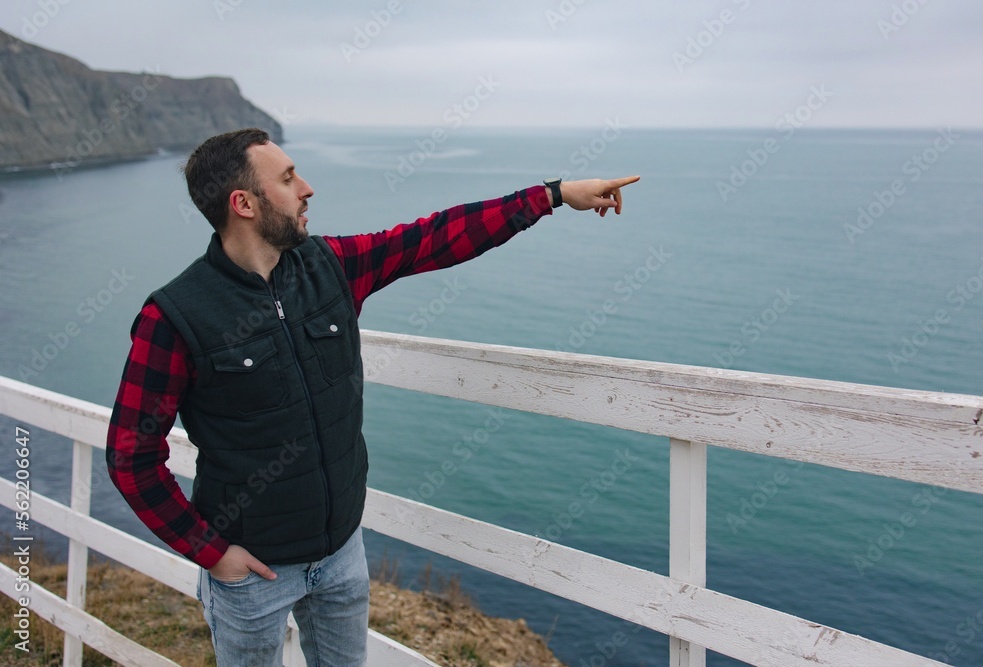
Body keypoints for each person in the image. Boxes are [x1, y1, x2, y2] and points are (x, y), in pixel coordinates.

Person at [106, 127, 639, 666]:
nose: (307, 188)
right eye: (288, 179)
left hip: (341, 552)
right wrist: (211, 553)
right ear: (243, 203)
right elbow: (131, 455)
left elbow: (433, 238)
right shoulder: (176, 317)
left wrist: (551, 194)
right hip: (252, 574)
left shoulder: (329, 266)